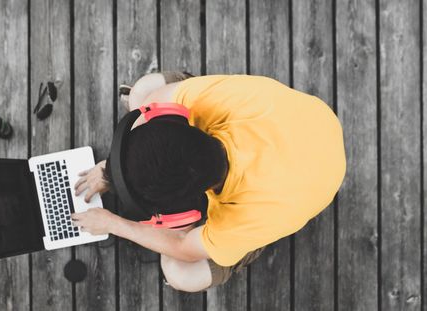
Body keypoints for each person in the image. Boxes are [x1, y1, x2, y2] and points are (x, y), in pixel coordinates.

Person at [71, 72, 346, 292]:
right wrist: (112, 170)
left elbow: (182, 247)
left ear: (184, 213)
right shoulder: (219, 102)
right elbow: (155, 101)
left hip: (314, 167)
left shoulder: (236, 222)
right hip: (314, 122)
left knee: (180, 273)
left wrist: (113, 223)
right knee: (142, 93)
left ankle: (242, 253)